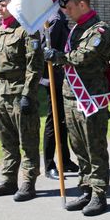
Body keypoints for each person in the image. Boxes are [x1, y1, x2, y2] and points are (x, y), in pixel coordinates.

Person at [44, 0, 110, 216]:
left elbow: (84, 56)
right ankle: (85, 189)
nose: (66, 12)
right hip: (71, 96)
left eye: (70, 7)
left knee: (95, 148)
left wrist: (59, 57)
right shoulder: (75, 30)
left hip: (91, 96)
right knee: (79, 148)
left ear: (82, 4)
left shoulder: (100, 30)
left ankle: (99, 194)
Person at [0, 0, 44, 202]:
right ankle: (9, 180)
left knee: (27, 140)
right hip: (1, 93)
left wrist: (28, 94)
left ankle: (28, 182)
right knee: (7, 141)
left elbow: (34, 66)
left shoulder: (27, 31)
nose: (1, 9)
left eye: (5, 5)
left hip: (20, 93)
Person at [40, 10, 78, 180]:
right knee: (54, 120)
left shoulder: (59, 18)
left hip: (60, 76)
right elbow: (47, 49)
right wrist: (45, 77)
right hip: (54, 77)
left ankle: (65, 160)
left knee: (62, 120)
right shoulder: (55, 19)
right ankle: (49, 165)